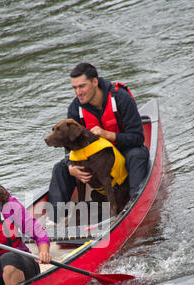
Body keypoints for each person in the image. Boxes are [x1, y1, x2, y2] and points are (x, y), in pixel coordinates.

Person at [47, 62, 149, 221]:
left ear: (95, 82)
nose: (78, 92)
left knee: (137, 155)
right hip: (94, 158)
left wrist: (109, 135)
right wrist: (70, 167)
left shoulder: (121, 98)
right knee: (60, 168)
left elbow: (138, 138)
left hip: (124, 150)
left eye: (82, 86)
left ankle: (134, 204)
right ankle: (55, 219)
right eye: (74, 88)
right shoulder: (74, 109)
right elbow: (69, 149)